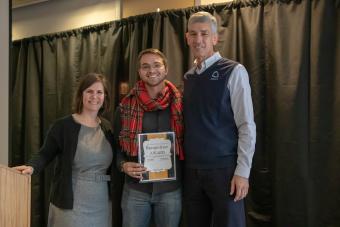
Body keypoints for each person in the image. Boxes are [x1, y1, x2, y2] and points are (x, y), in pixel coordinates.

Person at [183, 11, 256, 227]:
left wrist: (243, 172)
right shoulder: (188, 78)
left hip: (225, 171)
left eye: (204, 34)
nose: (199, 40)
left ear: (215, 38)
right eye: (193, 34)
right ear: (187, 38)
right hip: (192, 171)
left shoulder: (233, 71)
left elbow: (246, 125)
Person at [13, 73, 115, 227]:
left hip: (101, 202)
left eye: (99, 92)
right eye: (89, 91)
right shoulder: (63, 126)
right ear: (81, 95)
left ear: (105, 97)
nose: (94, 96)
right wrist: (32, 166)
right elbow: (44, 153)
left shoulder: (107, 127)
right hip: (69, 201)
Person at [114, 48, 184, 227]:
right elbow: (115, 148)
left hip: (171, 190)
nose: (151, 70)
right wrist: (123, 165)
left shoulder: (181, 103)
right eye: (145, 66)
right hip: (135, 190)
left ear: (166, 69)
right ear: (139, 72)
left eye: (156, 65)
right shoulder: (125, 107)